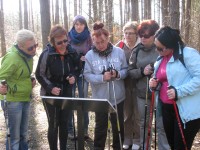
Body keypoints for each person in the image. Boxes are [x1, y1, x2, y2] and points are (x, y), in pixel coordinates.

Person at [149, 26, 200, 150]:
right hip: (166, 108)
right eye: (156, 47)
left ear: (171, 45)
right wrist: (153, 84)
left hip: (185, 111)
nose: (157, 50)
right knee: (173, 145)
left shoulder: (188, 54)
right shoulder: (161, 57)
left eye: (160, 48)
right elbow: (161, 79)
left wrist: (179, 91)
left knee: (180, 147)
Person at [84, 22, 128, 150]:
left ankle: (118, 147)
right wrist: (102, 78)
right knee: (100, 126)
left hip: (117, 97)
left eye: (102, 41)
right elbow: (87, 75)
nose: (100, 45)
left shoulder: (119, 52)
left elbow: (126, 70)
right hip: (100, 99)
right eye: (97, 43)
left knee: (118, 126)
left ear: (108, 38)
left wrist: (118, 74)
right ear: (93, 41)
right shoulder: (90, 55)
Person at [36, 25, 78, 150]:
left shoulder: (72, 52)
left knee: (64, 123)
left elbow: (78, 67)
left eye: (65, 41)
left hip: (67, 91)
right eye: (59, 42)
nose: (63, 44)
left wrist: (73, 76)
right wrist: (50, 88)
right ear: (53, 42)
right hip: (50, 94)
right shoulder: (46, 54)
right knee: (54, 124)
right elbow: (39, 74)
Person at [128, 20, 169, 149]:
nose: (143, 38)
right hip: (142, 94)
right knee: (143, 124)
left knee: (161, 124)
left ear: (154, 35)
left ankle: (164, 147)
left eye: (147, 35)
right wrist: (142, 71)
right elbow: (130, 72)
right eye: (141, 35)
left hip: (160, 94)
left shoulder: (162, 49)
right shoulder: (137, 51)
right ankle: (144, 146)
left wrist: (156, 74)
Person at [0, 29, 37, 150]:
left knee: (23, 134)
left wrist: (30, 78)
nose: (34, 50)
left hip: (25, 97)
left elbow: (22, 73)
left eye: (35, 46)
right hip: (12, 100)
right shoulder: (11, 58)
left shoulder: (28, 56)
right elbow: (1, 77)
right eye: (30, 48)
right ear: (20, 46)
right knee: (14, 137)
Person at [115, 21, 140, 150]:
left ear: (136, 34)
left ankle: (137, 139)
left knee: (137, 114)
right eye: (126, 33)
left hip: (139, 85)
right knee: (126, 114)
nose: (128, 35)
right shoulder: (119, 46)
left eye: (131, 33)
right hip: (123, 85)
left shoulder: (141, 45)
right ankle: (127, 138)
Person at [68, 15, 92, 139]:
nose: (79, 26)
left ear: (85, 25)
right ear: (73, 25)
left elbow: (93, 51)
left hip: (84, 71)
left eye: (81, 24)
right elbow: (64, 51)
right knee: (70, 99)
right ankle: (70, 130)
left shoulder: (89, 37)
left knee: (83, 100)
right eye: (76, 24)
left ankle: (84, 129)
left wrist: (87, 57)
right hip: (71, 72)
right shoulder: (68, 36)